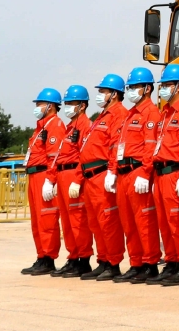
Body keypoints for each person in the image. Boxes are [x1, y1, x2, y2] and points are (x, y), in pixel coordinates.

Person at [78, 73, 129, 281]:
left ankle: (114, 262)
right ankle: (103, 259)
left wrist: (112, 171)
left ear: (114, 94)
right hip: (90, 176)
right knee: (95, 222)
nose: (100, 95)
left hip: (102, 173)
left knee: (108, 221)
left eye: (103, 92)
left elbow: (116, 144)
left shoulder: (119, 114)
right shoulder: (102, 116)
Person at [113, 67, 160, 282]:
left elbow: (151, 146)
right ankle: (136, 262)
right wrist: (113, 171)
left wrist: (145, 171)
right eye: (129, 87)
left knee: (144, 221)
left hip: (138, 172)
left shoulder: (151, 113)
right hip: (123, 173)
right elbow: (120, 145)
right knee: (128, 222)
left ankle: (150, 263)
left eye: (135, 87)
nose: (131, 91)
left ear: (147, 89)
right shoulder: (131, 114)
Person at [150, 62, 179, 285]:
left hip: (175, 171)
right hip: (160, 173)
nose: (163, 89)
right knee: (164, 222)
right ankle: (171, 260)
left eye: (167, 85)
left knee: (178, 221)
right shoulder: (165, 113)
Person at [21, 87, 67, 275]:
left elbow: (54, 157)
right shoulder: (41, 127)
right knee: (37, 220)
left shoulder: (55, 125)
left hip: (43, 176)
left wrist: (50, 180)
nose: (37, 107)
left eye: (39, 104)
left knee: (47, 218)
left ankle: (48, 258)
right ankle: (41, 255)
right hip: (34, 175)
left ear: (50, 106)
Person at [51, 86, 93, 277]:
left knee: (78, 220)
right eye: (66, 103)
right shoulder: (70, 128)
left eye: (71, 104)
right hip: (62, 176)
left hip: (73, 175)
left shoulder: (85, 126)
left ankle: (83, 260)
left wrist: (77, 180)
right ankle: (73, 256)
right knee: (67, 222)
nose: (67, 107)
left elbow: (83, 156)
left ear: (82, 106)